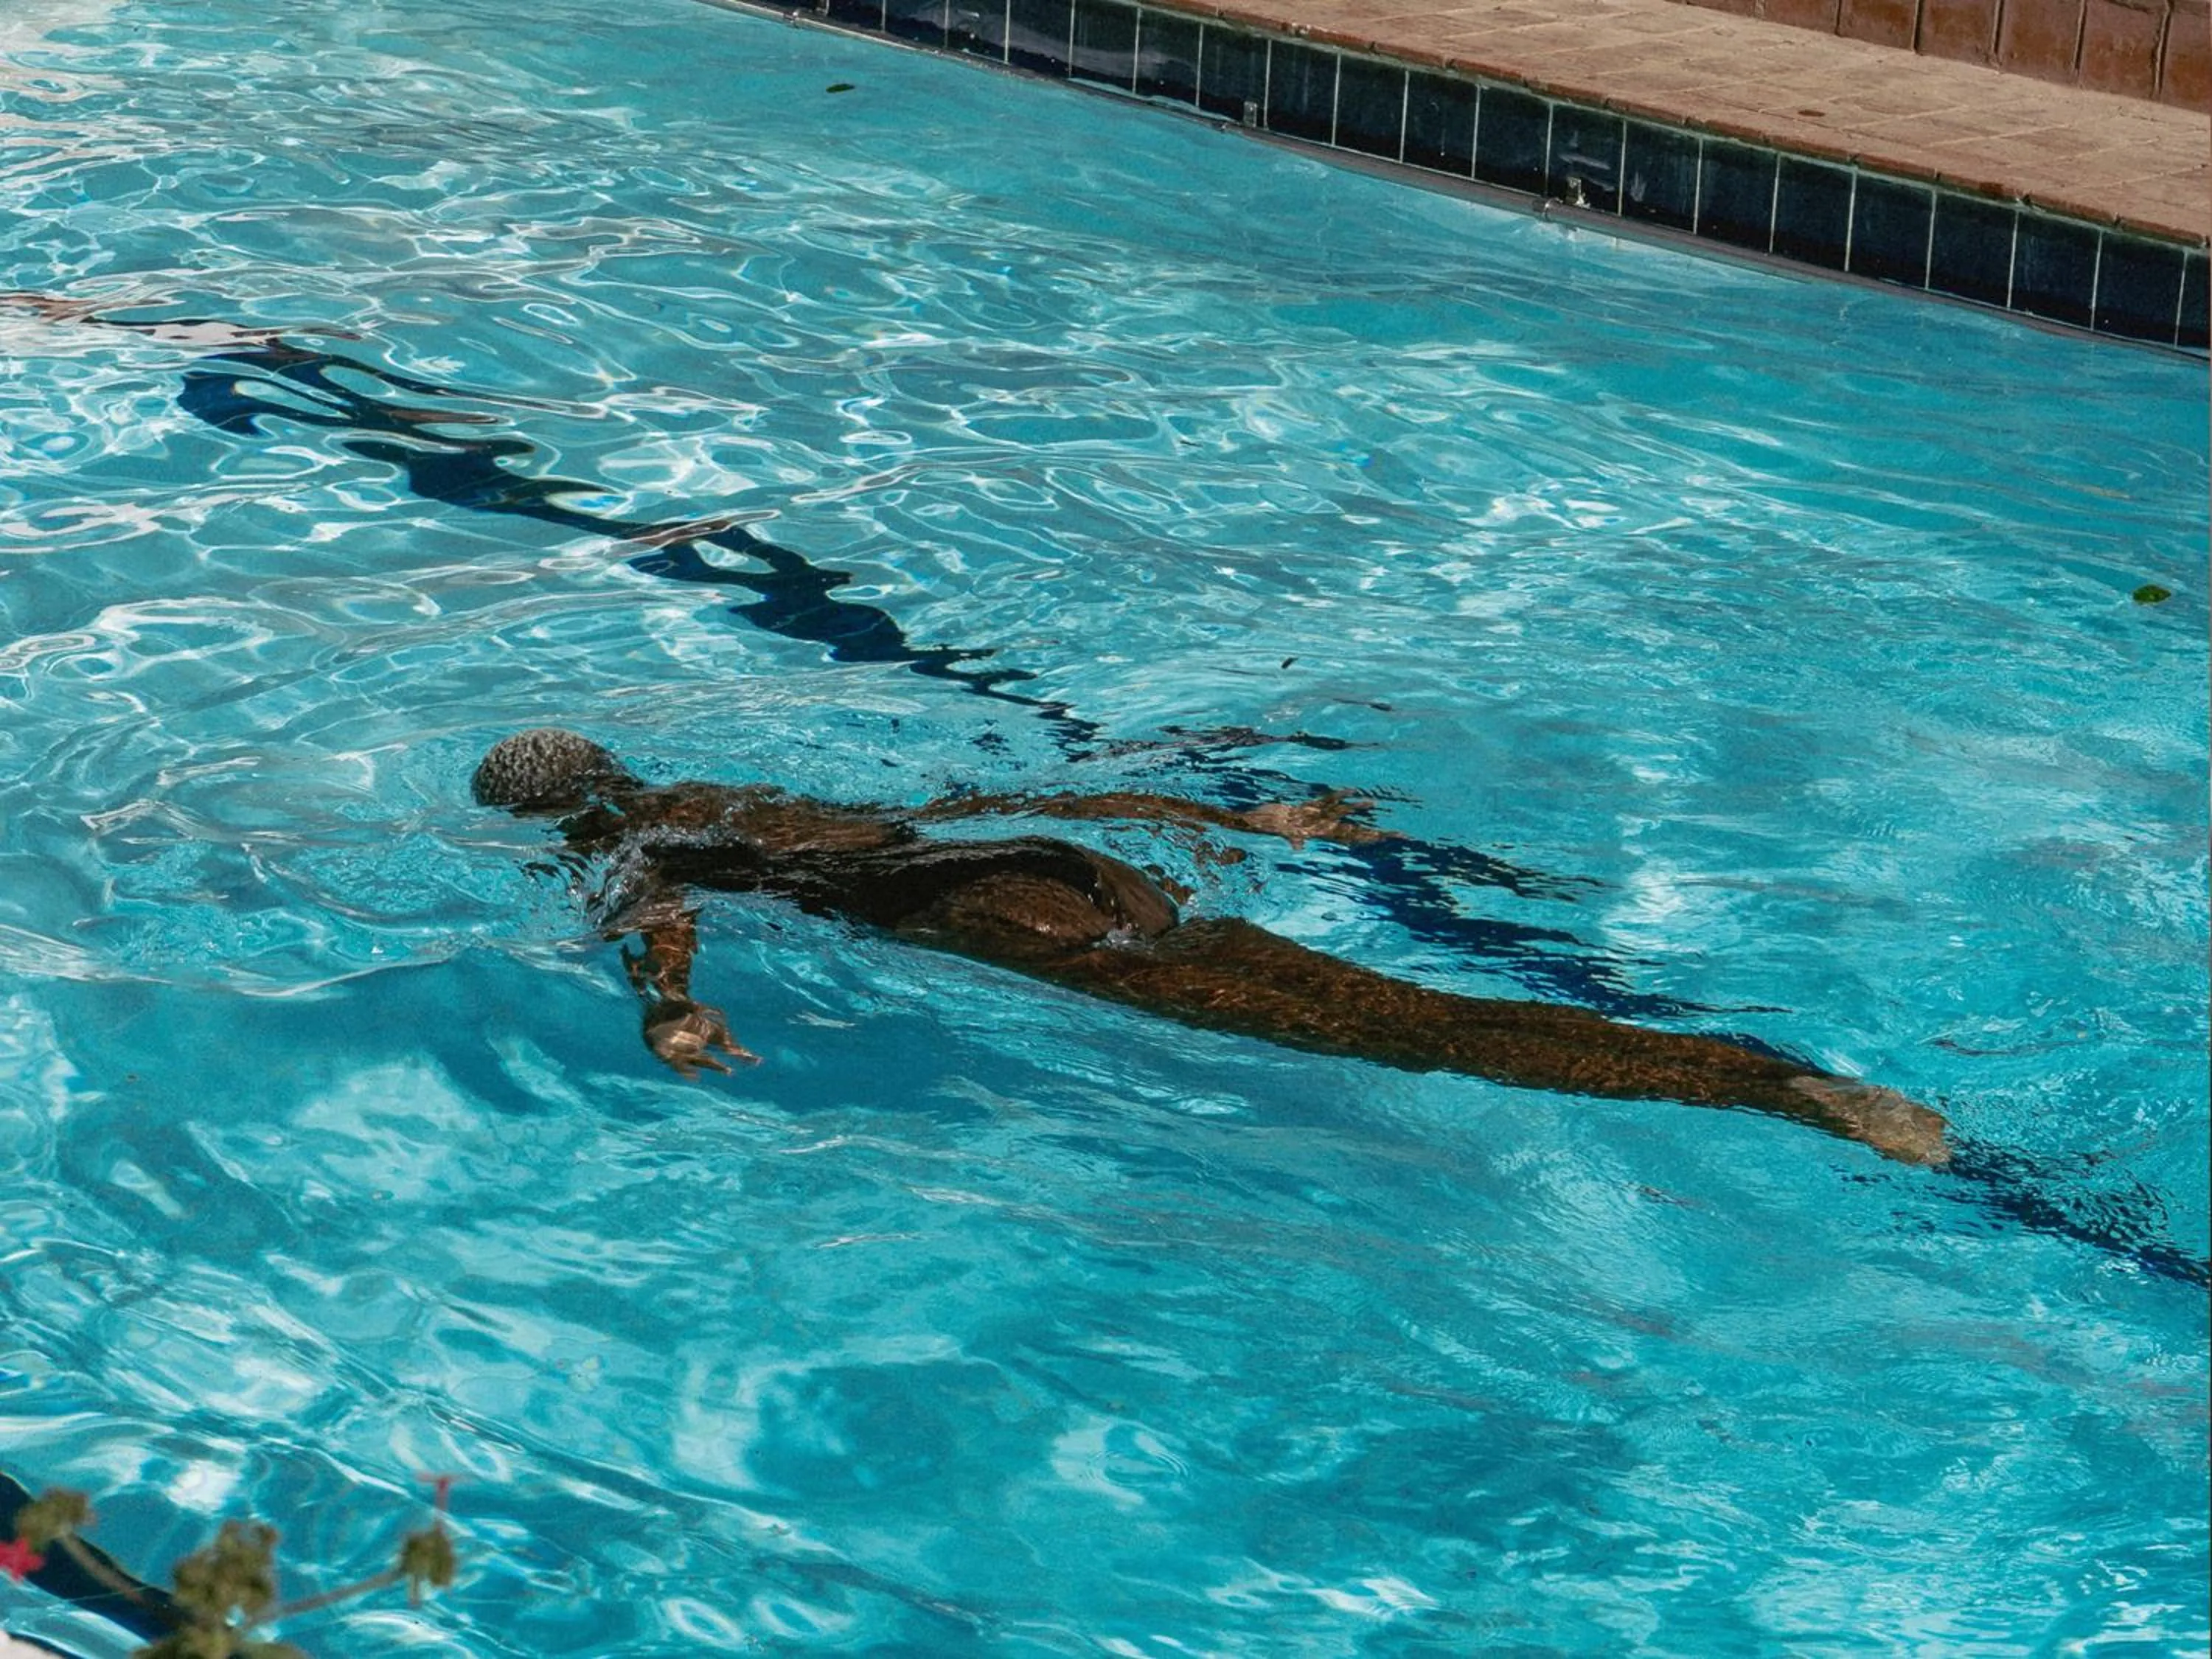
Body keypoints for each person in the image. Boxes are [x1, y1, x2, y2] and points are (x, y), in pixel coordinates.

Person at [472, 728, 1950, 1166]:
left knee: (1402, 1029)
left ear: (540, 817)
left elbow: (653, 909)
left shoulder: (630, 840)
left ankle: (1779, 1093)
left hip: (1008, 914)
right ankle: (1763, 1082)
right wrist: (1240, 816)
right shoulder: (738, 788)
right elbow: (990, 801)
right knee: (1381, 1007)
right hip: (1080, 872)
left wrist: (665, 1005)